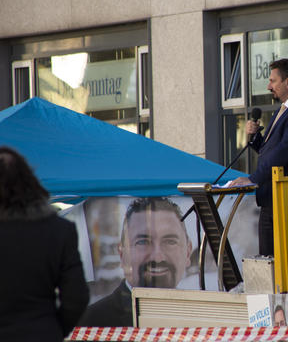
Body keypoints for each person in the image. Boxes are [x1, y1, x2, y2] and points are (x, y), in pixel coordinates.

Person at [230, 58, 288, 256]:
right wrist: (255, 138)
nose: (268, 86)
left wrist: (253, 179)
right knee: (267, 262)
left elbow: (283, 153)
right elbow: (270, 151)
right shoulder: (285, 109)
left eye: (273, 81)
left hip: (285, 201)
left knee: (281, 265)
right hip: (270, 200)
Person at [0, 146, 89, 342]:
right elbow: (77, 297)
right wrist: (54, 329)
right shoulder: (59, 230)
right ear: (29, 182)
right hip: (41, 332)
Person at [78, 197, 192, 326]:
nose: (157, 257)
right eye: (143, 242)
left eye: (170, 241)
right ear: (122, 254)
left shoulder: (205, 320)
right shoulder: (89, 324)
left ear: (188, 252)